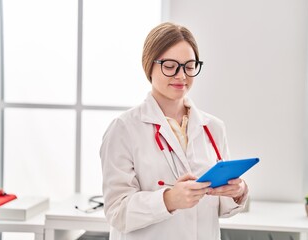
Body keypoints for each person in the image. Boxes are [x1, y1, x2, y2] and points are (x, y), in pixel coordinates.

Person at [100, 22, 248, 240]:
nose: (182, 76)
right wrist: (168, 200)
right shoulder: (123, 129)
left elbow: (221, 207)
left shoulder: (213, 128)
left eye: (189, 66)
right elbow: (117, 211)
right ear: (150, 65)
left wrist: (238, 192)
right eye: (170, 66)